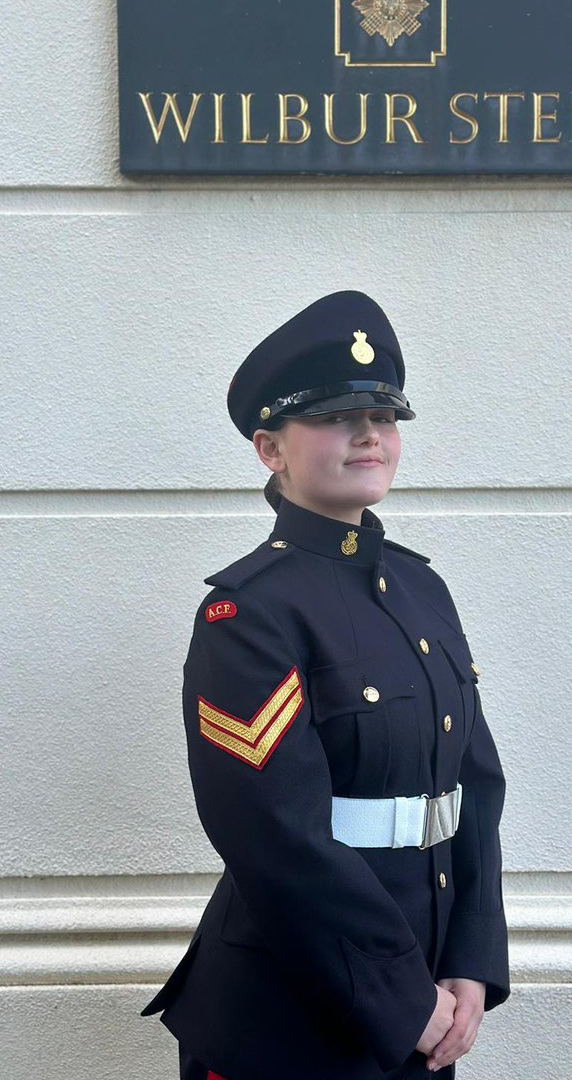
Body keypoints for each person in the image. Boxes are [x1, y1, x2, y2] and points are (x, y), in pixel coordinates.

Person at [141, 290, 510, 1079]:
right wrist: (399, 996)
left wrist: (470, 960)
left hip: (428, 996)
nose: (369, 434)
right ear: (269, 450)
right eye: (337, 417)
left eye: (383, 416)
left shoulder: (422, 591)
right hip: (290, 1015)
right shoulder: (249, 613)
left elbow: (474, 788)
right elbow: (274, 833)